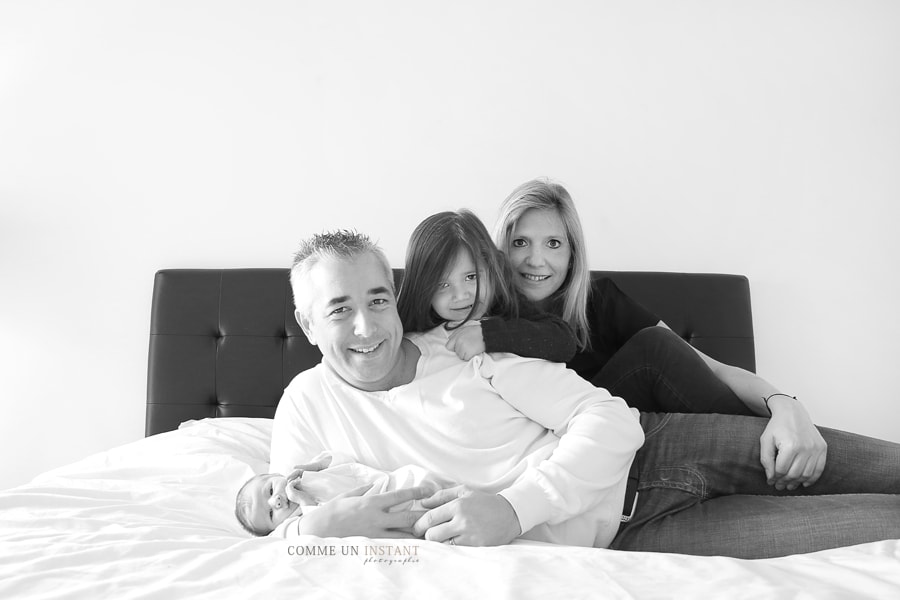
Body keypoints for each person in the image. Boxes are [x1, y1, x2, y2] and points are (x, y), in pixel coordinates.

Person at [270, 228, 900, 558]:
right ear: (305, 325)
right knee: (878, 526)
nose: (366, 326)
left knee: (883, 468)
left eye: (378, 299)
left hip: (658, 449)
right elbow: (282, 524)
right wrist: (318, 527)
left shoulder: (467, 353)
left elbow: (610, 419)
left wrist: (515, 508)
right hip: (630, 535)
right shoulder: (306, 405)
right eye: (339, 309)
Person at [492, 178, 826, 491]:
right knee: (651, 353)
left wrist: (784, 406)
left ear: (571, 255)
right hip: (573, 463)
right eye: (520, 242)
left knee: (656, 348)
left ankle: (780, 454)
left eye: (553, 244)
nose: (536, 260)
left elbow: (714, 370)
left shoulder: (600, 303)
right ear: (500, 250)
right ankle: (778, 457)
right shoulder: (480, 323)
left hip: (657, 447)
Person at [397, 209, 576, 362]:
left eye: (471, 277)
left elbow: (564, 341)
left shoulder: (503, 302)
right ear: (422, 289)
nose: (461, 295)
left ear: (491, 269)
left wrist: (488, 335)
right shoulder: (412, 327)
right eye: (442, 285)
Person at [236, 452, 448, 537]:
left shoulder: (306, 475)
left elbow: (347, 463)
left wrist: (320, 464)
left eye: (271, 490)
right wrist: (306, 503)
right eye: (271, 514)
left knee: (434, 488)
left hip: (395, 484)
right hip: (391, 513)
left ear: (276, 474)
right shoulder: (304, 519)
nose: (277, 501)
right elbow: (329, 522)